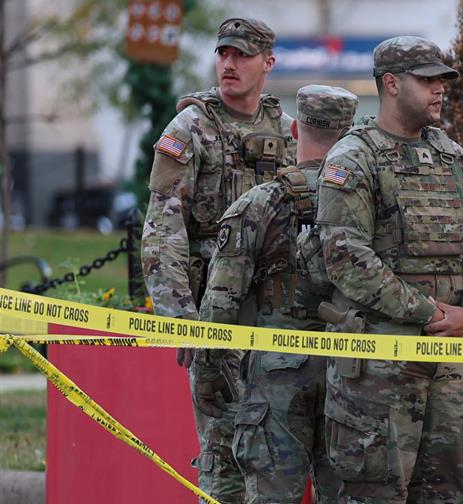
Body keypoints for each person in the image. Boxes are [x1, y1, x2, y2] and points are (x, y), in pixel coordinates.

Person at [314, 36, 463, 503]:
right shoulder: (354, 158)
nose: (440, 90)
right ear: (391, 84)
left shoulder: (451, 156)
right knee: (375, 492)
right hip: (381, 368)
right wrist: (427, 312)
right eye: (427, 80)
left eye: (442, 81)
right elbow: (346, 258)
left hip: (451, 361)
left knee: (453, 492)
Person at [141, 17, 295, 503]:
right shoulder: (191, 126)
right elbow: (162, 228)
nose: (229, 64)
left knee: (277, 450)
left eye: (242, 55)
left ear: (267, 63)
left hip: (276, 314)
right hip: (214, 314)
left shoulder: (285, 130)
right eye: (224, 53)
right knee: (224, 453)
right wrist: (179, 316)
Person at [199, 85, 357, 504]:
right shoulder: (366, 203)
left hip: (276, 380)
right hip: (355, 376)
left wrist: (208, 374)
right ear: (350, 134)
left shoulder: (258, 203)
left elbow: (221, 301)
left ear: (293, 129)